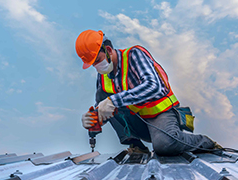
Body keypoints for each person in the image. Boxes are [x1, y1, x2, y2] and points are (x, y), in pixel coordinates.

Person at [75, 29, 218, 156]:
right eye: (93, 64)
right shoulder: (103, 75)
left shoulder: (134, 55)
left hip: (161, 114)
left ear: (108, 50)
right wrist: (93, 118)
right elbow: (106, 108)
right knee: (102, 97)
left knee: (164, 145)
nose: (97, 66)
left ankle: (205, 143)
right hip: (138, 121)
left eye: (98, 60)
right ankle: (137, 146)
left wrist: (113, 101)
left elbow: (153, 86)